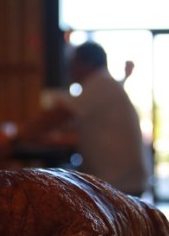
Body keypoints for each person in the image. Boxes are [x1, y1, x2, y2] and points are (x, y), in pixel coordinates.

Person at [19, 41, 150, 197]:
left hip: (119, 183)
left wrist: (16, 136)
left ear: (86, 63)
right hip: (123, 180)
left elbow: (57, 117)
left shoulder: (100, 83)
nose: (70, 69)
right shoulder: (105, 83)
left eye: (73, 63)